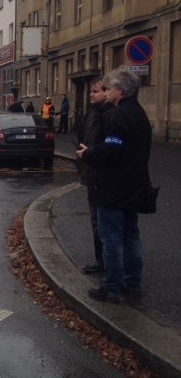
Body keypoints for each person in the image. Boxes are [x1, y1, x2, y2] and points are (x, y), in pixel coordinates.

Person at [77, 67, 152, 303]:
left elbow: (112, 149)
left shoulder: (116, 116)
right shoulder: (140, 114)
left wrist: (88, 153)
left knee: (111, 238)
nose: (106, 93)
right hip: (135, 184)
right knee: (131, 236)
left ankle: (111, 288)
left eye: (108, 89)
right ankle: (133, 286)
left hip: (113, 187)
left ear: (120, 91)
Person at [77, 78, 113, 275]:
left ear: (107, 92)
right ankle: (101, 262)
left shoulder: (111, 115)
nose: (91, 94)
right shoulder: (92, 114)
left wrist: (90, 153)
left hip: (102, 177)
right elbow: (83, 138)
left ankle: (109, 267)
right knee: (95, 221)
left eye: (96, 91)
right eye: (91, 91)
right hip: (92, 174)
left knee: (104, 224)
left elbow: (109, 147)